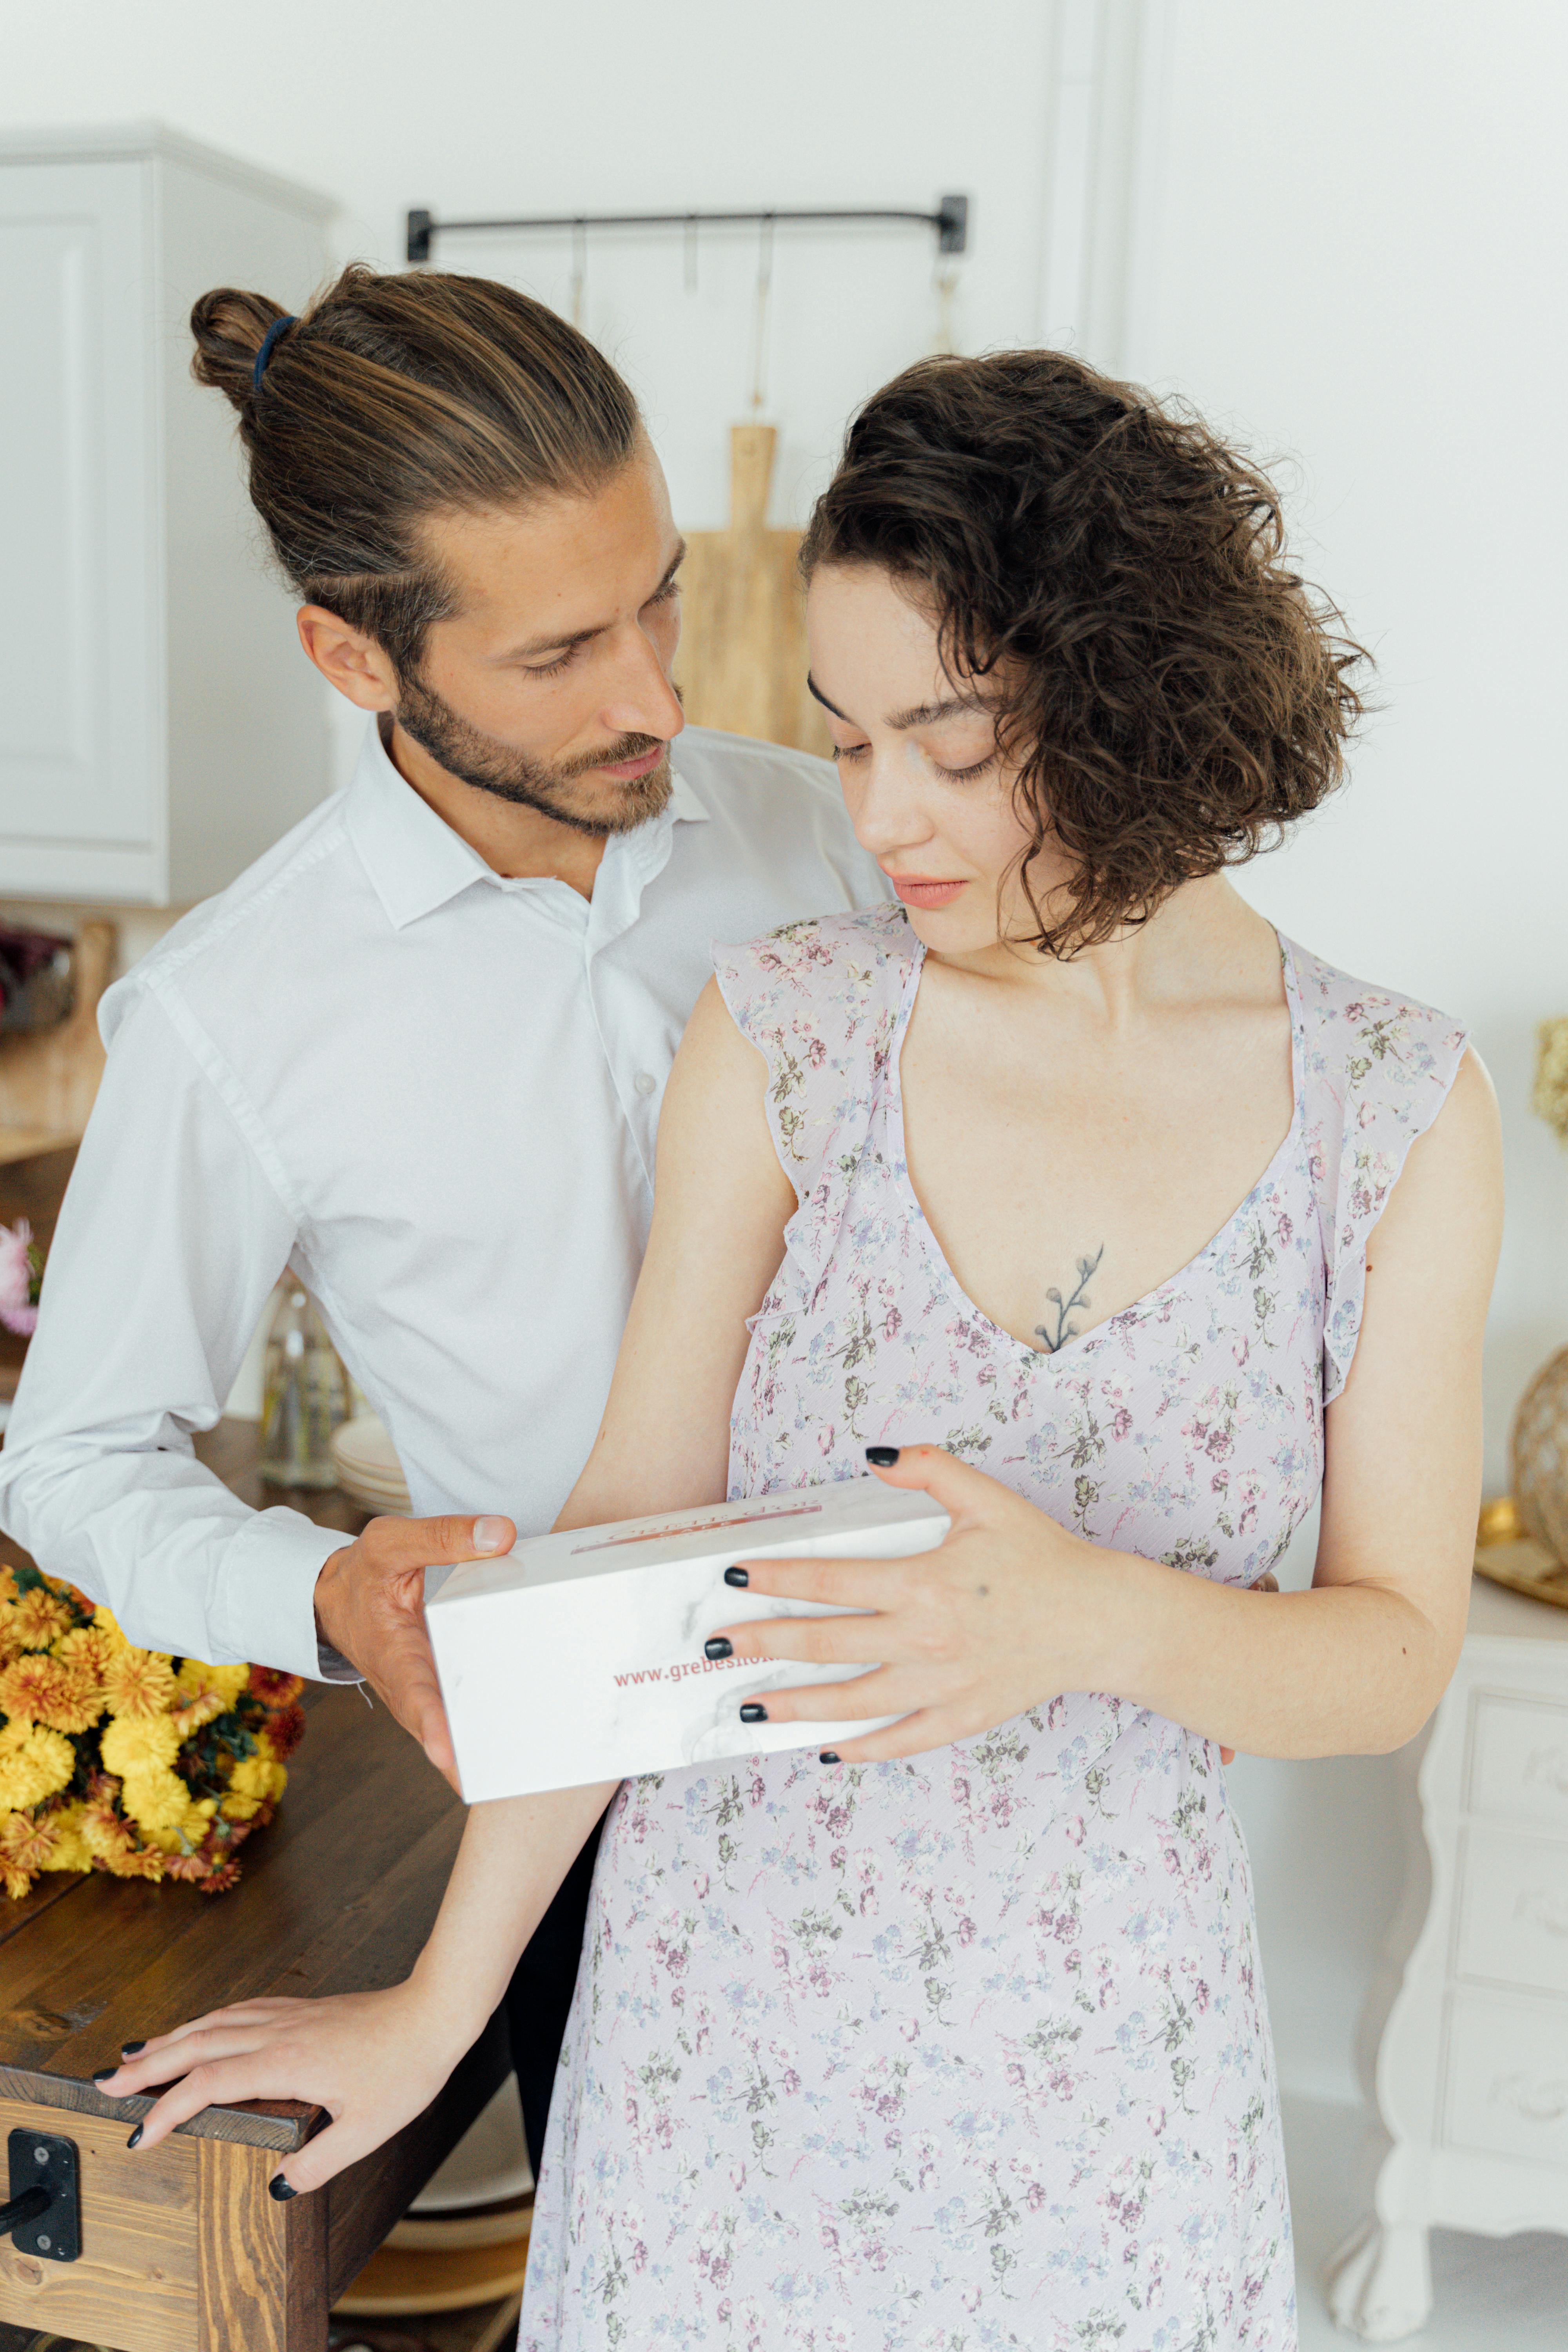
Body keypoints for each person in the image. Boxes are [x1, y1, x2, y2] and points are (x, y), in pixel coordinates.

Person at [100, 350, 1502, 2350]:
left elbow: (1391, 1656)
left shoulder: (1394, 1106)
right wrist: (443, 2005)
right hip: (716, 2048)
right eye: (844, 743)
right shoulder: (789, 1025)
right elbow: (623, 1528)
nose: (881, 821)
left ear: (1132, 691)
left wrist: (1085, 1620)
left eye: (948, 740)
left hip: (1106, 2076)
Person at [0, 266, 885, 2169]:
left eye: (660, 600)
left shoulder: (831, 833)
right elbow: (70, 1456)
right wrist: (319, 1591)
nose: (655, 691)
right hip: (594, 1829)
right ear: (352, 657)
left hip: (948, 1722)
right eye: (560, 652)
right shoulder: (236, 1014)